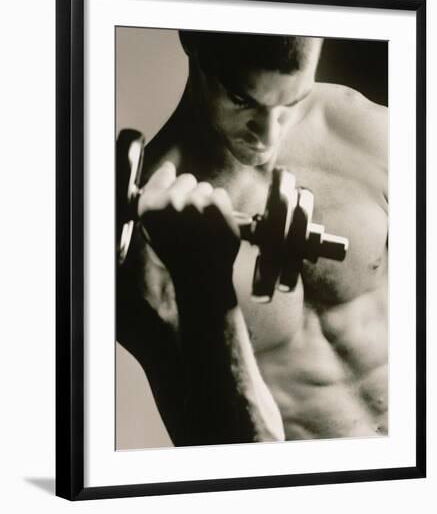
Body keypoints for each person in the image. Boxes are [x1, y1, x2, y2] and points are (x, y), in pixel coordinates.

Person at [117, 31, 388, 446]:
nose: (268, 137)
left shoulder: (372, 134)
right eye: (243, 100)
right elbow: (225, 457)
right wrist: (203, 288)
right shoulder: (141, 242)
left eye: (290, 104)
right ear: (193, 40)